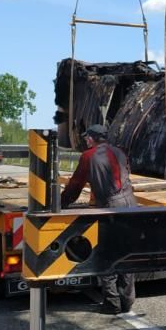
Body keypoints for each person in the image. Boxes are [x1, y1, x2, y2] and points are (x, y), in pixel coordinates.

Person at [61, 124, 136, 314]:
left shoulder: (89, 156)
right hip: (131, 204)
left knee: (107, 253)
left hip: (110, 207)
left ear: (92, 139)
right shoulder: (120, 152)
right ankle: (127, 301)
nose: (86, 140)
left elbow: (75, 185)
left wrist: (62, 204)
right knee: (126, 253)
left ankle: (112, 303)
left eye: (87, 138)